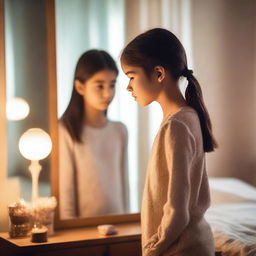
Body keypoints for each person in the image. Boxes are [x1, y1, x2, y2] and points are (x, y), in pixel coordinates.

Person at [121, 28, 218, 256]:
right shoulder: (188, 116)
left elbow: (177, 211)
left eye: (131, 77)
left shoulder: (176, 126)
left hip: (181, 249)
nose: (128, 87)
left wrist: (152, 250)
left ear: (158, 73)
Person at [59, 49, 129, 219]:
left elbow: (124, 186)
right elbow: (66, 192)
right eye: (100, 86)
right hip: (83, 229)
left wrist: (126, 221)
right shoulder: (65, 129)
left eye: (112, 85)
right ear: (80, 87)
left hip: (117, 226)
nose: (108, 93)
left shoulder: (119, 130)